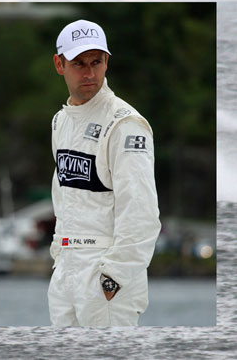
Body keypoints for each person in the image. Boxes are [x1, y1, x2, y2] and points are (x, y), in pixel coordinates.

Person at [48, 19, 161, 326]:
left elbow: (141, 211)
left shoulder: (125, 124)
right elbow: (63, 193)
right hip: (66, 274)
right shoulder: (61, 121)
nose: (89, 72)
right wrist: (60, 256)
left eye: (96, 62)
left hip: (105, 276)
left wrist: (114, 277)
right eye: (79, 63)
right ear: (60, 64)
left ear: (107, 62)